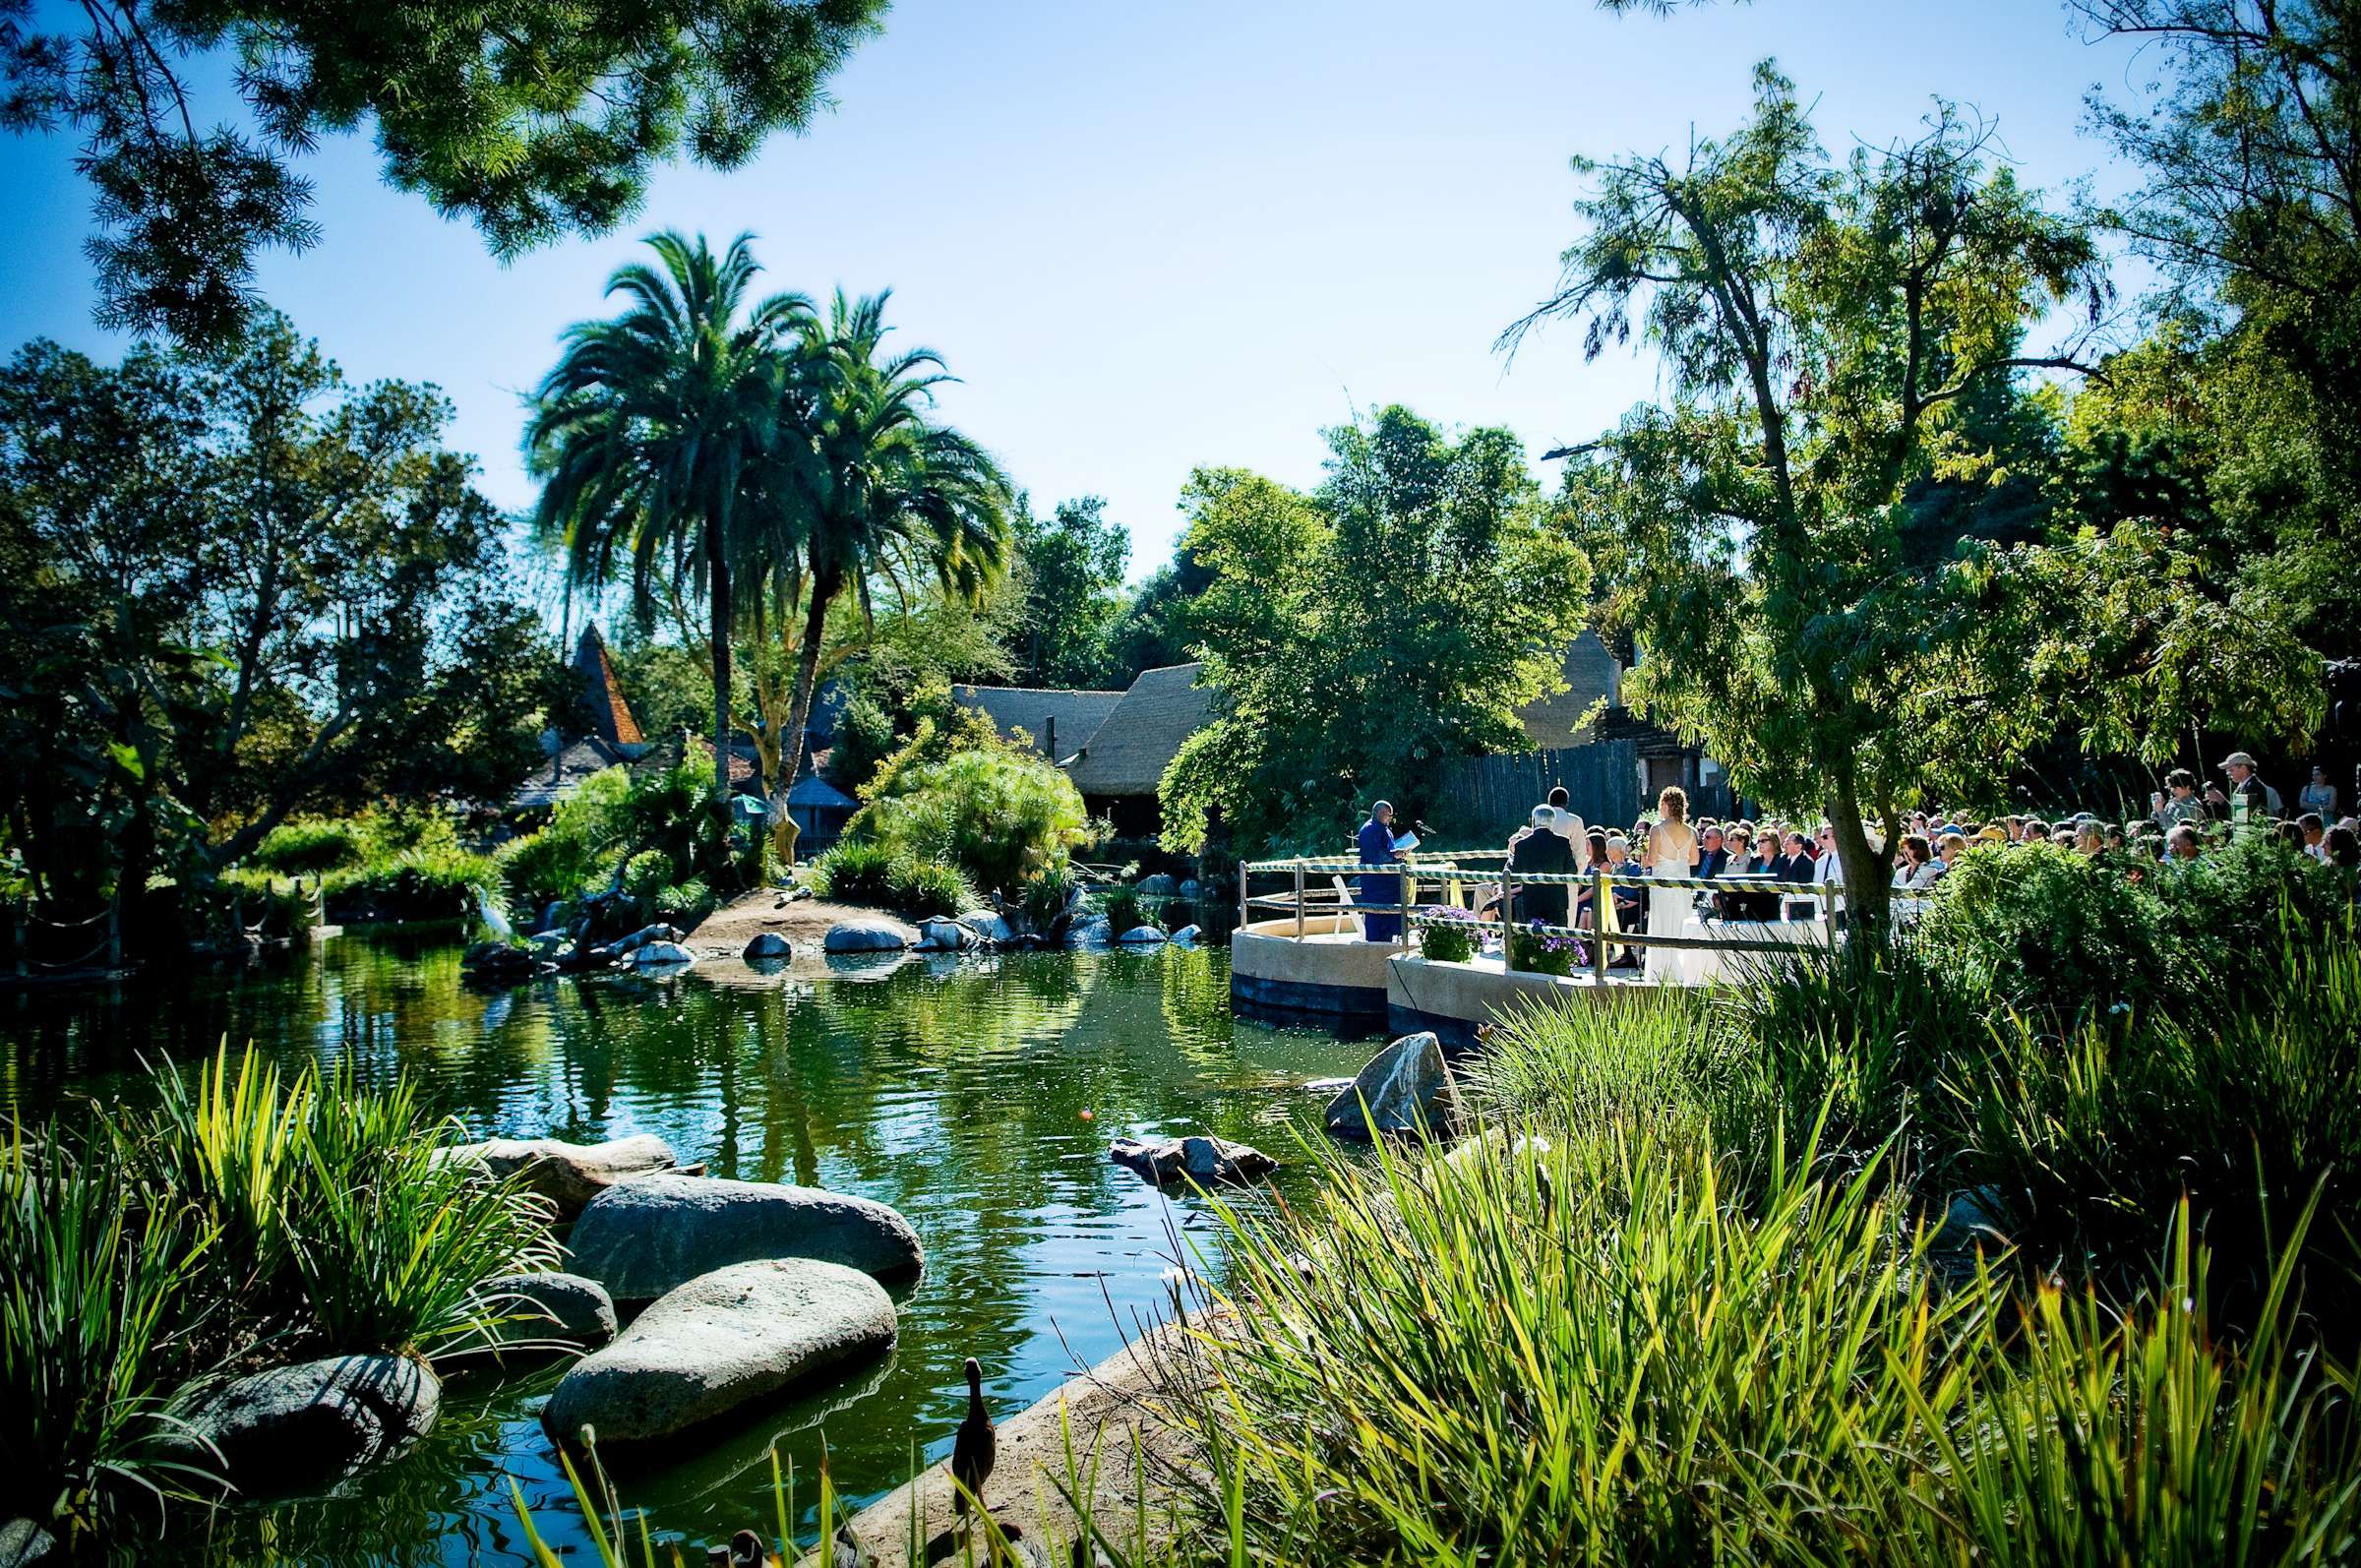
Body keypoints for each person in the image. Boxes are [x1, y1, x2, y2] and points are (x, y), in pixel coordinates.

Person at [1645, 788, 1697, 977]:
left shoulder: (1657, 829)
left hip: (1662, 884)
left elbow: (1651, 861)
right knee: (1682, 920)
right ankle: (1682, 970)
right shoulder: (1690, 831)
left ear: (1665, 805)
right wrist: (1679, 863)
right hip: (1682, 883)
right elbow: (1695, 859)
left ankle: (1662, 971)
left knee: (1662, 922)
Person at [1506, 802, 1575, 930]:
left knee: (1534, 940)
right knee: (1559, 939)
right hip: (1557, 900)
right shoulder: (1563, 843)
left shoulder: (1521, 845)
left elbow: (1516, 874)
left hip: (1532, 899)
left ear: (1533, 821)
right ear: (1552, 822)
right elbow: (1572, 870)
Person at [1355, 802, 1408, 943]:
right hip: (1376, 886)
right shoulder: (1368, 830)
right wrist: (1393, 855)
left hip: (1389, 886)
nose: (1390, 818)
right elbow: (1374, 856)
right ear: (1379, 813)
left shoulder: (1386, 830)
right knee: (1375, 921)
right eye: (1388, 815)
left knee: (1388, 923)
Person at [2208, 752, 2270, 823]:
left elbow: (2242, 818)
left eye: (2231, 770)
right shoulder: (2244, 786)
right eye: (2227, 771)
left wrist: (2221, 799)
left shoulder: (2253, 787)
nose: (2228, 774)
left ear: (2243, 768)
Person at [2150, 768, 2207, 832]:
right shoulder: (2173, 802)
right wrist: (2156, 808)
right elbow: (2157, 822)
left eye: (2175, 787)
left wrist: (2160, 811)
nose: (2172, 790)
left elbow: (2177, 830)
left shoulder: (2194, 806)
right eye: (2171, 787)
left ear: (2187, 787)